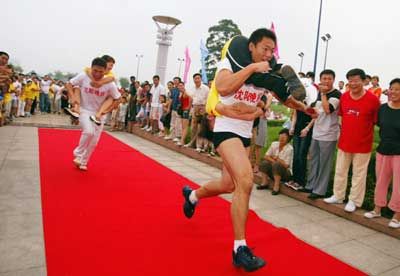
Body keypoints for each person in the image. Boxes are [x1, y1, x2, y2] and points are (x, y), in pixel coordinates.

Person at [182, 28, 281, 272]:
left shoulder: (265, 71)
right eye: (264, 49)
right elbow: (224, 88)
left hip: (246, 134)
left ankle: (192, 196)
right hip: (226, 132)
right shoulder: (230, 62)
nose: (268, 54)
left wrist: (262, 107)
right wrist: (251, 69)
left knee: (228, 184)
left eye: (272, 50)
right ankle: (239, 248)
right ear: (252, 47)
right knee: (245, 181)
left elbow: (264, 101)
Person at [324, 68, 380, 212]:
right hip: (345, 142)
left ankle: (354, 201)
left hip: (363, 144)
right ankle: (338, 195)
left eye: (356, 80)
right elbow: (341, 116)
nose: (353, 84)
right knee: (340, 171)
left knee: (358, 174)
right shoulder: (344, 97)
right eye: (350, 81)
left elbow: (375, 121)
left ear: (363, 81)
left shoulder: (373, 100)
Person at [66, 57, 120, 171]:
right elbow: (69, 84)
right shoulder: (84, 76)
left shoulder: (110, 83)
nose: (97, 74)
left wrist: (107, 110)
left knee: (94, 142)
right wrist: (72, 96)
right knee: (89, 132)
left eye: (101, 71)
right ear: (91, 68)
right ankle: (78, 153)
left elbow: (117, 98)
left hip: (99, 115)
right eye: (95, 70)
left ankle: (83, 162)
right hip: (84, 110)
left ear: (105, 71)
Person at [364, 78, 400, 228]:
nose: (393, 92)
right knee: (381, 182)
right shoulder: (383, 109)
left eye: (397, 89)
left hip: (399, 153)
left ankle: (397, 215)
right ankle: (377, 209)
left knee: (399, 185)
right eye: (392, 88)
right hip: (383, 150)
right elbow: (379, 126)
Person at [302, 69, 341, 199]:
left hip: (329, 135)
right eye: (324, 78)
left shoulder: (336, 94)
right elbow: (317, 111)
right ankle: (310, 185)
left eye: (329, 78)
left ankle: (319, 191)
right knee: (313, 161)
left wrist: (324, 94)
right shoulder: (319, 94)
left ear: (333, 80)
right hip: (316, 133)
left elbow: (328, 110)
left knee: (325, 163)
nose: (326, 81)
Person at [257, 128, 293, 195]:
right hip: (274, 170)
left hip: (285, 174)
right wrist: (274, 161)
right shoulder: (274, 144)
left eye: (284, 137)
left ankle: (276, 187)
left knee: (277, 165)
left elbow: (286, 165)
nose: (281, 139)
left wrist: (278, 160)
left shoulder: (290, 149)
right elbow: (266, 156)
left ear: (288, 139)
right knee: (264, 163)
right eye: (280, 136)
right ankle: (264, 183)